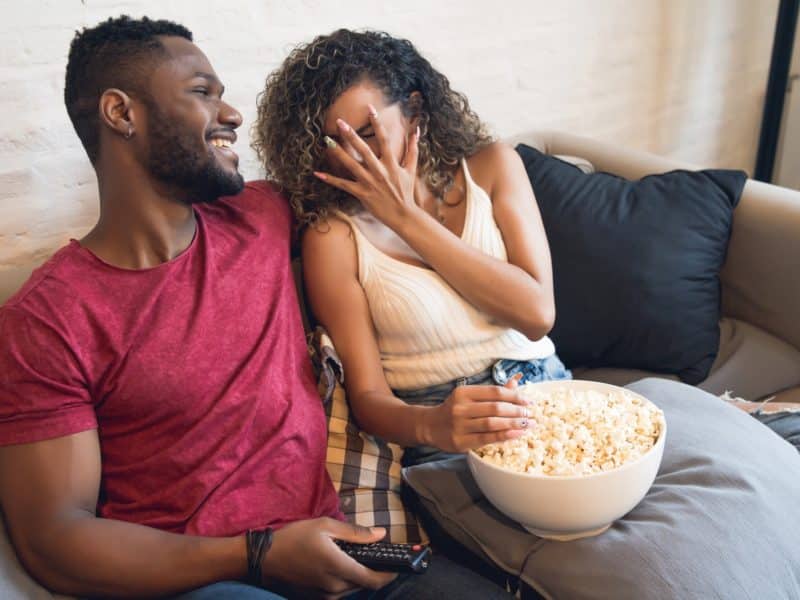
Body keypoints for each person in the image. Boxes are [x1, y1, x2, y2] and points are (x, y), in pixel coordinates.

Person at [0, 16, 514, 599]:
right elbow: (54, 540)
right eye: (202, 93)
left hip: (339, 553)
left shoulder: (262, 215)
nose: (233, 115)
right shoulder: (47, 320)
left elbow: (403, 203)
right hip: (210, 581)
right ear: (122, 114)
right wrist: (256, 555)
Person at [253, 29, 572, 468]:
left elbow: (537, 316)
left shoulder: (493, 167)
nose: (356, 157)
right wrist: (432, 425)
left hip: (548, 395)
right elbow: (367, 399)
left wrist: (406, 217)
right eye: (335, 144)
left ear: (414, 110)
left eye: (366, 132)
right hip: (441, 428)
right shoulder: (333, 236)